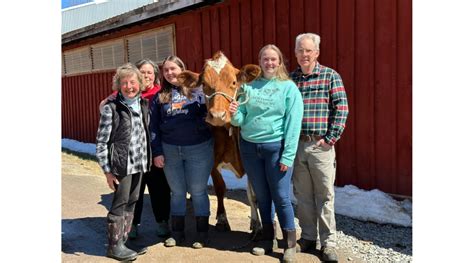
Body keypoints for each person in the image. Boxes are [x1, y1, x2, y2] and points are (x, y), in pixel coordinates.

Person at [229, 44, 303, 263]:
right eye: (265, 59)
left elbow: (293, 123)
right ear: (259, 62)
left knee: (280, 196)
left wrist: (288, 155)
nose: (269, 63)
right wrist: (234, 114)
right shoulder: (249, 86)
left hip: (275, 149)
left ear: (279, 62)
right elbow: (241, 119)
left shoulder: (288, 88)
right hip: (250, 148)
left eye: (273, 59)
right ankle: (267, 239)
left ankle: (289, 244)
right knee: (262, 196)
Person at [290, 33, 349, 262]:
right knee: (303, 195)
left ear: (316, 53)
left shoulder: (329, 76)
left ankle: (328, 243)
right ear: (295, 53)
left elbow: (341, 108)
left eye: (308, 50)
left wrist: (330, 139)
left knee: (324, 195)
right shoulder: (292, 79)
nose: (304, 55)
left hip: (320, 145)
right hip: (297, 146)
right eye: (300, 50)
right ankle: (307, 237)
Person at [149, 55, 214, 249]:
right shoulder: (159, 97)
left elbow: (213, 111)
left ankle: (202, 234)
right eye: (166, 70)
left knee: (198, 191)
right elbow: (153, 127)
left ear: (182, 69)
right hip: (170, 151)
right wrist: (157, 152)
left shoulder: (198, 92)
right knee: (177, 192)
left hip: (198, 149)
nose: (170, 73)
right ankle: (177, 233)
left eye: (173, 69)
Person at [96, 63, 152, 261]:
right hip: (122, 166)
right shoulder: (112, 108)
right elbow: (102, 142)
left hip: (140, 164)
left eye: (133, 82)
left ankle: (124, 241)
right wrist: (107, 171)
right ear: (118, 86)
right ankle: (113, 246)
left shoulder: (144, 105)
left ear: (140, 83)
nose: (129, 86)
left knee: (133, 202)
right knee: (119, 204)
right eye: (124, 83)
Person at [129, 59, 171, 239]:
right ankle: (132, 224)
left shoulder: (161, 94)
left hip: (155, 150)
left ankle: (162, 222)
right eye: (142, 72)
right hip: (135, 153)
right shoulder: (128, 93)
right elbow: (109, 103)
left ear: (155, 76)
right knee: (134, 191)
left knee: (160, 188)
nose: (146, 75)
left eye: (149, 73)